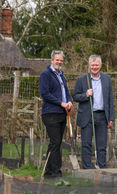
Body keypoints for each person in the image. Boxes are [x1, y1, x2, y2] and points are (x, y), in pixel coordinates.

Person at [73, 55, 115, 169]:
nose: (94, 67)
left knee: (101, 145)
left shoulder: (107, 79)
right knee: (86, 144)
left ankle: (101, 169)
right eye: (92, 65)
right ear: (89, 66)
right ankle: (87, 169)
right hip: (87, 116)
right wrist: (85, 95)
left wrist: (111, 118)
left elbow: (110, 99)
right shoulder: (82, 79)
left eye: (96, 65)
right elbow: (75, 96)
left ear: (100, 66)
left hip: (102, 116)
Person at [39, 50, 73, 179]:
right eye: (57, 60)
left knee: (56, 143)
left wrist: (69, 102)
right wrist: (61, 103)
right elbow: (45, 94)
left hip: (62, 113)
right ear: (51, 60)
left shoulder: (61, 76)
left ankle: (49, 171)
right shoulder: (46, 75)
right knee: (55, 141)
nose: (59, 62)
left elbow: (66, 93)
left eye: (61, 61)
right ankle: (56, 172)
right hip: (50, 113)